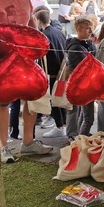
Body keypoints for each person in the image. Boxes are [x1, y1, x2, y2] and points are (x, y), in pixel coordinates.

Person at [0, 0, 52, 162]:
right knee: (3, 102)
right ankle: (3, 146)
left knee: (31, 97)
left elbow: (30, 23)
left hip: (26, 56)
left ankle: (28, 142)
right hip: (2, 59)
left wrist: (37, 42)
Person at [35, 10, 68, 139]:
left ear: (38, 20)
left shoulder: (44, 35)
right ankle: (63, 124)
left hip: (51, 72)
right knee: (60, 99)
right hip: (61, 70)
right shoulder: (58, 32)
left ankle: (60, 126)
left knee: (53, 101)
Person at [65, 17, 97, 139]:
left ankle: (80, 136)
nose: (91, 31)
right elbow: (83, 68)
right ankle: (80, 139)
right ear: (79, 29)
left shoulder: (88, 44)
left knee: (83, 114)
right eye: (88, 28)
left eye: (91, 28)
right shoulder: (75, 48)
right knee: (87, 116)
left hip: (88, 84)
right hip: (81, 84)